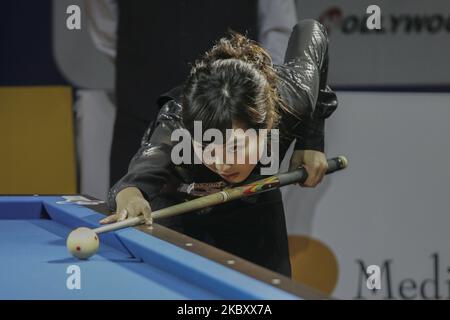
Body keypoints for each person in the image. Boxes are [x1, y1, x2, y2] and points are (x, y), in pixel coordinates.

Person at [101, 20, 338, 277]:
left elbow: (311, 30)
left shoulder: (292, 96)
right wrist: (132, 199)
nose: (224, 164)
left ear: (267, 124)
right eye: (207, 147)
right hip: (180, 209)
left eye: (235, 147)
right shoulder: (175, 125)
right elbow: (132, 184)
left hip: (254, 203)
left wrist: (311, 141)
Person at [85, 0, 298, 188]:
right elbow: (104, 20)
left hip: (235, 116)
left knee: (234, 225)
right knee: (130, 210)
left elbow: (280, 28)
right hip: (141, 108)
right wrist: (144, 62)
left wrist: (256, 91)